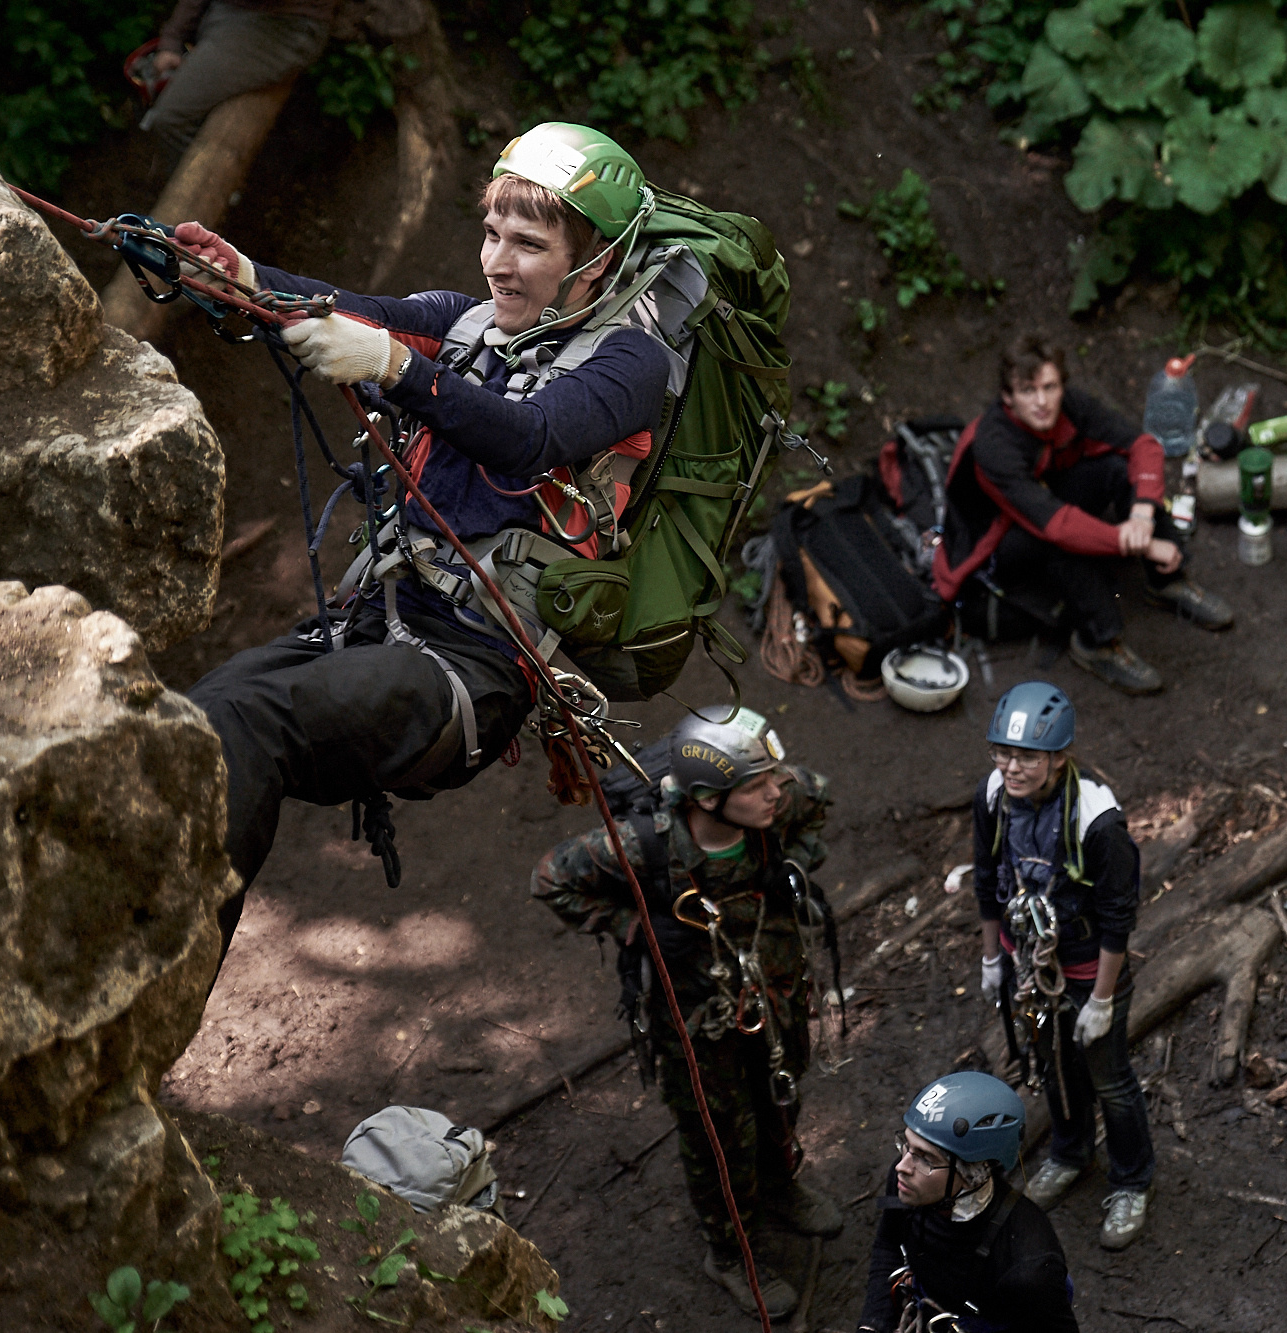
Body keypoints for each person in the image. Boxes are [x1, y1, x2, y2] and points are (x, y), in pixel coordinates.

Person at [174, 123, 673, 957]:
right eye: (492, 233)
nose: (497, 262)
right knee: (195, 719)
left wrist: (394, 367)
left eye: (528, 244)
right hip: (379, 619)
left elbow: (526, 437)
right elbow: (351, 311)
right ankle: (152, 943)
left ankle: (174, 973)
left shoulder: (629, 366)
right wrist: (244, 277)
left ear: (596, 262)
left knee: (253, 718)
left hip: (475, 665)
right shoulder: (464, 326)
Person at [532, 707, 840, 1318]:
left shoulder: (780, 804)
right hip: (697, 1020)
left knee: (781, 1099)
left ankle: (780, 1188)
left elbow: (818, 801)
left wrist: (794, 866)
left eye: (773, 778)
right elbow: (550, 881)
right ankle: (729, 1252)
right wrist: (637, 927)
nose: (775, 792)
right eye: (756, 786)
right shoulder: (642, 845)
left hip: (776, 990)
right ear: (706, 799)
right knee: (720, 1137)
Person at [933, 332, 1232, 695]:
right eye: (1028, 391)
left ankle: (1166, 581)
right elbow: (1057, 526)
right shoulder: (994, 445)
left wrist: (1142, 514)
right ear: (1008, 398)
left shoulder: (1070, 406)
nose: (1042, 402)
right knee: (1057, 544)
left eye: (1050, 387)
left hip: (1044, 502)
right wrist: (1142, 543)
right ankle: (1097, 642)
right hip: (993, 546)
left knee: (1117, 470)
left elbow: (1143, 446)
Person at [970, 681, 1154, 1250]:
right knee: (1051, 1063)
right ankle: (1070, 1152)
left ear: (1058, 757)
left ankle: (1131, 1182)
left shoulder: (1098, 821)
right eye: (1002, 753)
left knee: (1109, 1077)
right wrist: (992, 957)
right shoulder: (994, 795)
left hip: (1086, 968)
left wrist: (1101, 1000)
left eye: (1026, 757)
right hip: (1027, 963)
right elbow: (986, 878)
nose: (1011, 767)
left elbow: (1118, 916)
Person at [859, 1071, 1079, 1333]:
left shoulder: (1027, 1267)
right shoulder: (909, 1183)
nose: (902, 1166)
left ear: (973, 1173)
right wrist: (872, 1325)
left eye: (925, 1158)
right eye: (906, 1145)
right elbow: (889, 1244)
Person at [142, 0, 337, 159]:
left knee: (171, 119)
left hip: (284, 24)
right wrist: (173, 38)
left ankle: (215, 188)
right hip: (229, 13)